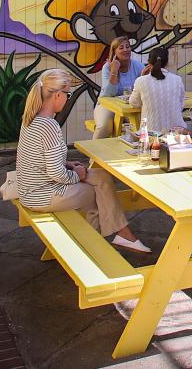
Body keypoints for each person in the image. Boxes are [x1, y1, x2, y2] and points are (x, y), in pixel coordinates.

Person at [16, 68, 150, 253]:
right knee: (96, 193)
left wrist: (68, 165)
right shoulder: (49, 125)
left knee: (102, 178)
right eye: (67, 94)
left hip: (30, 188)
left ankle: (117, 236)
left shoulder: (31, 118)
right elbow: (55, 173)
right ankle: (94, 245)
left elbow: (40, 159)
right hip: (41, 194)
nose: (68, 98)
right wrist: (76, 175)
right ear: (57, 95)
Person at [92, 37, 145, 139]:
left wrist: (145, 78)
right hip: (106, 105)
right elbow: (109, 93)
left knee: (138, 125)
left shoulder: (137, 65)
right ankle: (94, 154)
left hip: (129, 106)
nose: (125, 50)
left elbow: (145, 87)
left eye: (127, 47)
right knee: (104, 126)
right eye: (121, 48)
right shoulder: (107, 67)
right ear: (114, 52)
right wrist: (114, 71)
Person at [129, 47, 185, 132]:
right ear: (167, 62)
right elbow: (180, 105)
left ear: (149, 62)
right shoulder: (177, 79)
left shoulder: (141, 81)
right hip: (177, 133)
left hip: (150, 134)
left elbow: (134, 103)